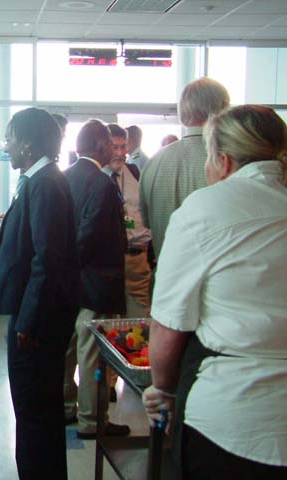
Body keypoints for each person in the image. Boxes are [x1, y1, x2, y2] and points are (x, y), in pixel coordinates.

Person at [142, 104, 287, 478]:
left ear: (223, 160)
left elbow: (167, 326)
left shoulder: (205, 209)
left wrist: (163, 391)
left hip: (232, 420)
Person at [0, 107, 79, 480]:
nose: (5, 146)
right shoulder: (40, 180)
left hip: (38, 321)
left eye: (9, 138)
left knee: (34, 410)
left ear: (26, 143)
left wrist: (29, 319)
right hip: (36, 315)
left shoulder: (44, 184)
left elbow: (47, 258)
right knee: (37, 410)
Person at [63, 119, 130, 439]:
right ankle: (92, 421)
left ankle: (66, 406)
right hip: (97, 280)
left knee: (68, 349)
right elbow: (91, 234)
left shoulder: (64, 178)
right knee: (91, 353)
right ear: (101, 146)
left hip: (68, 282)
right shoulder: (102, 184)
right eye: (109, 144)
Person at [140, 77, 230, 260]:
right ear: (222, 107)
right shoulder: (228, 160)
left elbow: (147, 222)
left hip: (163, 272)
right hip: (214, 274)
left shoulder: (153, 162)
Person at [105, 124, 151, 318]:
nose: (120, 153)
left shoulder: (134, 171)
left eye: (123, 147)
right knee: (105, 317)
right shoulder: (95, 177)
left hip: (136, 258)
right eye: (114, 147)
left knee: (139, 314)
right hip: (107, 262)